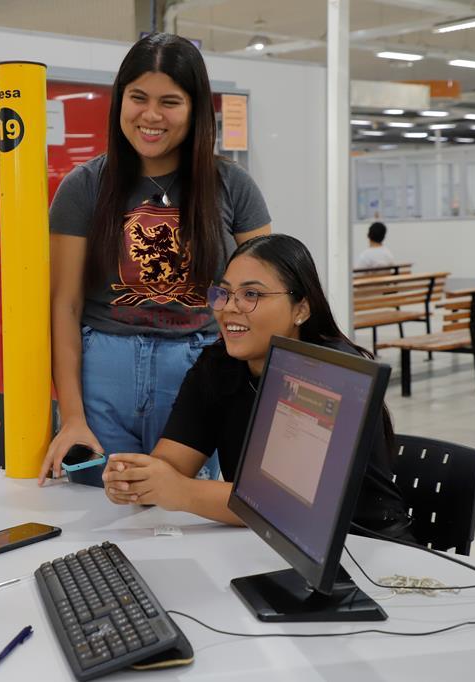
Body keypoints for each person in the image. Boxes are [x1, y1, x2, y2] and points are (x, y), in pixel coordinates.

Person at [41, 33, 272, 486]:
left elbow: (263, 297)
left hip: (198, 374)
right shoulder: (83, 186)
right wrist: (72, 417)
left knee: (184, 510)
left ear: (195, 109)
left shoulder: (233, 186)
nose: (151, 115)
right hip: (102, 380)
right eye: (138, 98)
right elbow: (64, 305)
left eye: (170, 102)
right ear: (120, 100)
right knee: (98, 506)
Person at [101, 234, 412, 538]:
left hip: (362, 547)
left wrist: (180, 491)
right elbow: (171, 465)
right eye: (224, 293)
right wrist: (137, 479)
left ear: (301, 309)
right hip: (267, 542)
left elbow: (283, 504)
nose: (229, 307)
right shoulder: (217, 365)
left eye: (251, 294)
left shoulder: (333, 373)